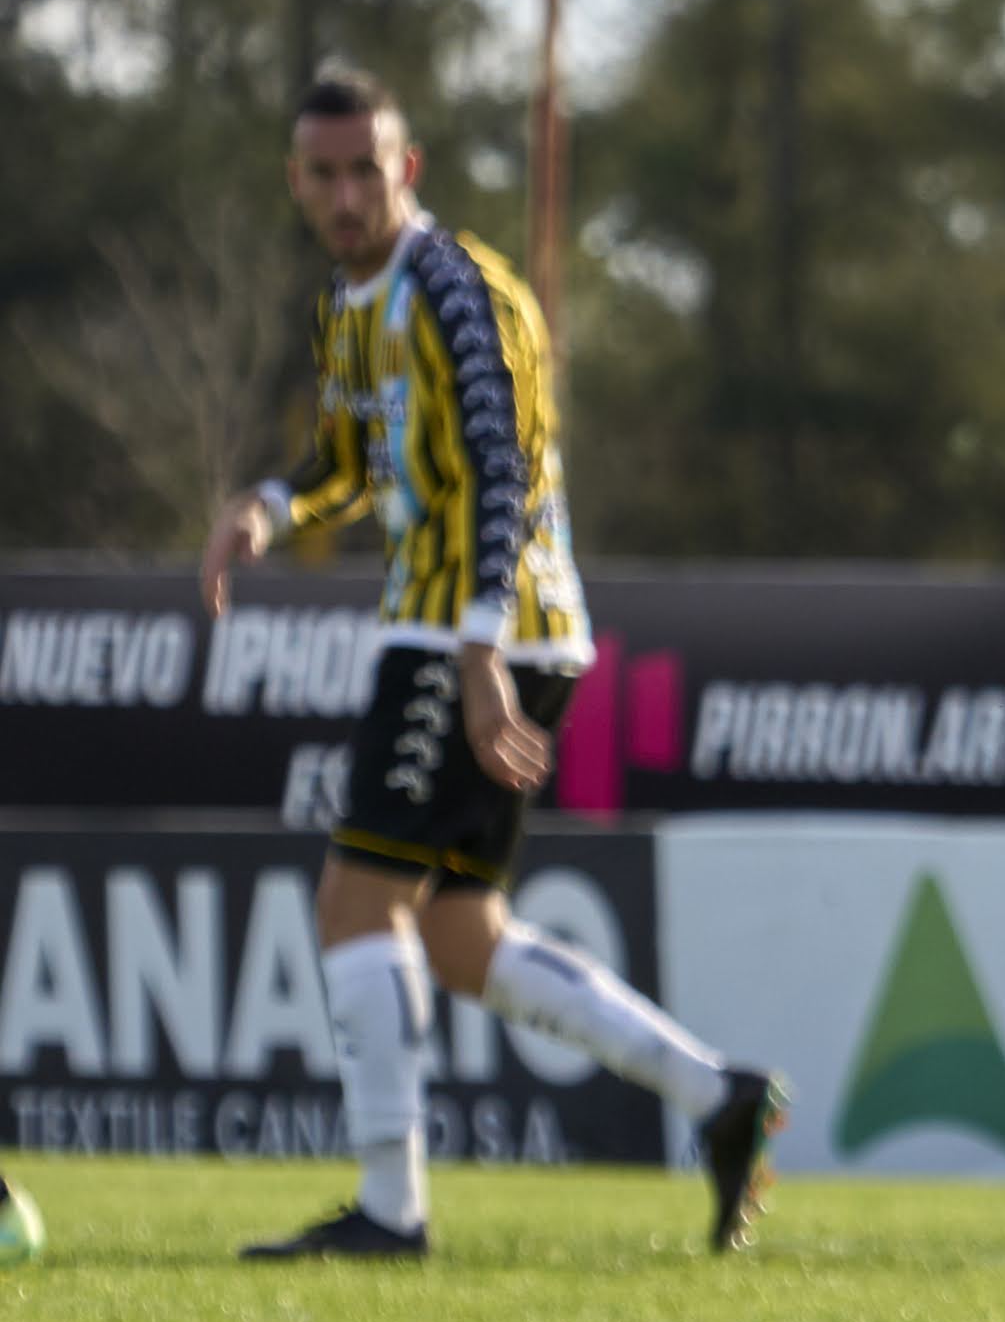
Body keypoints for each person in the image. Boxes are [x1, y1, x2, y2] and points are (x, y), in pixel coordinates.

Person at [199, 70, 787, 1261]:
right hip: (477, 632)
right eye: (325, 173)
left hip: (478, 631)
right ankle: (718, 1097)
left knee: (356, 901)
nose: (347, 193)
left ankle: (389, 1211)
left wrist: (476, 660)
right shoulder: (345, 302)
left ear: (407, 168)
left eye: (369, 168)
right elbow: (350, 462)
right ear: (296, 181)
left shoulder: (456, 290)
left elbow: (502, 477)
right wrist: (268, 506)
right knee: (460, 937)